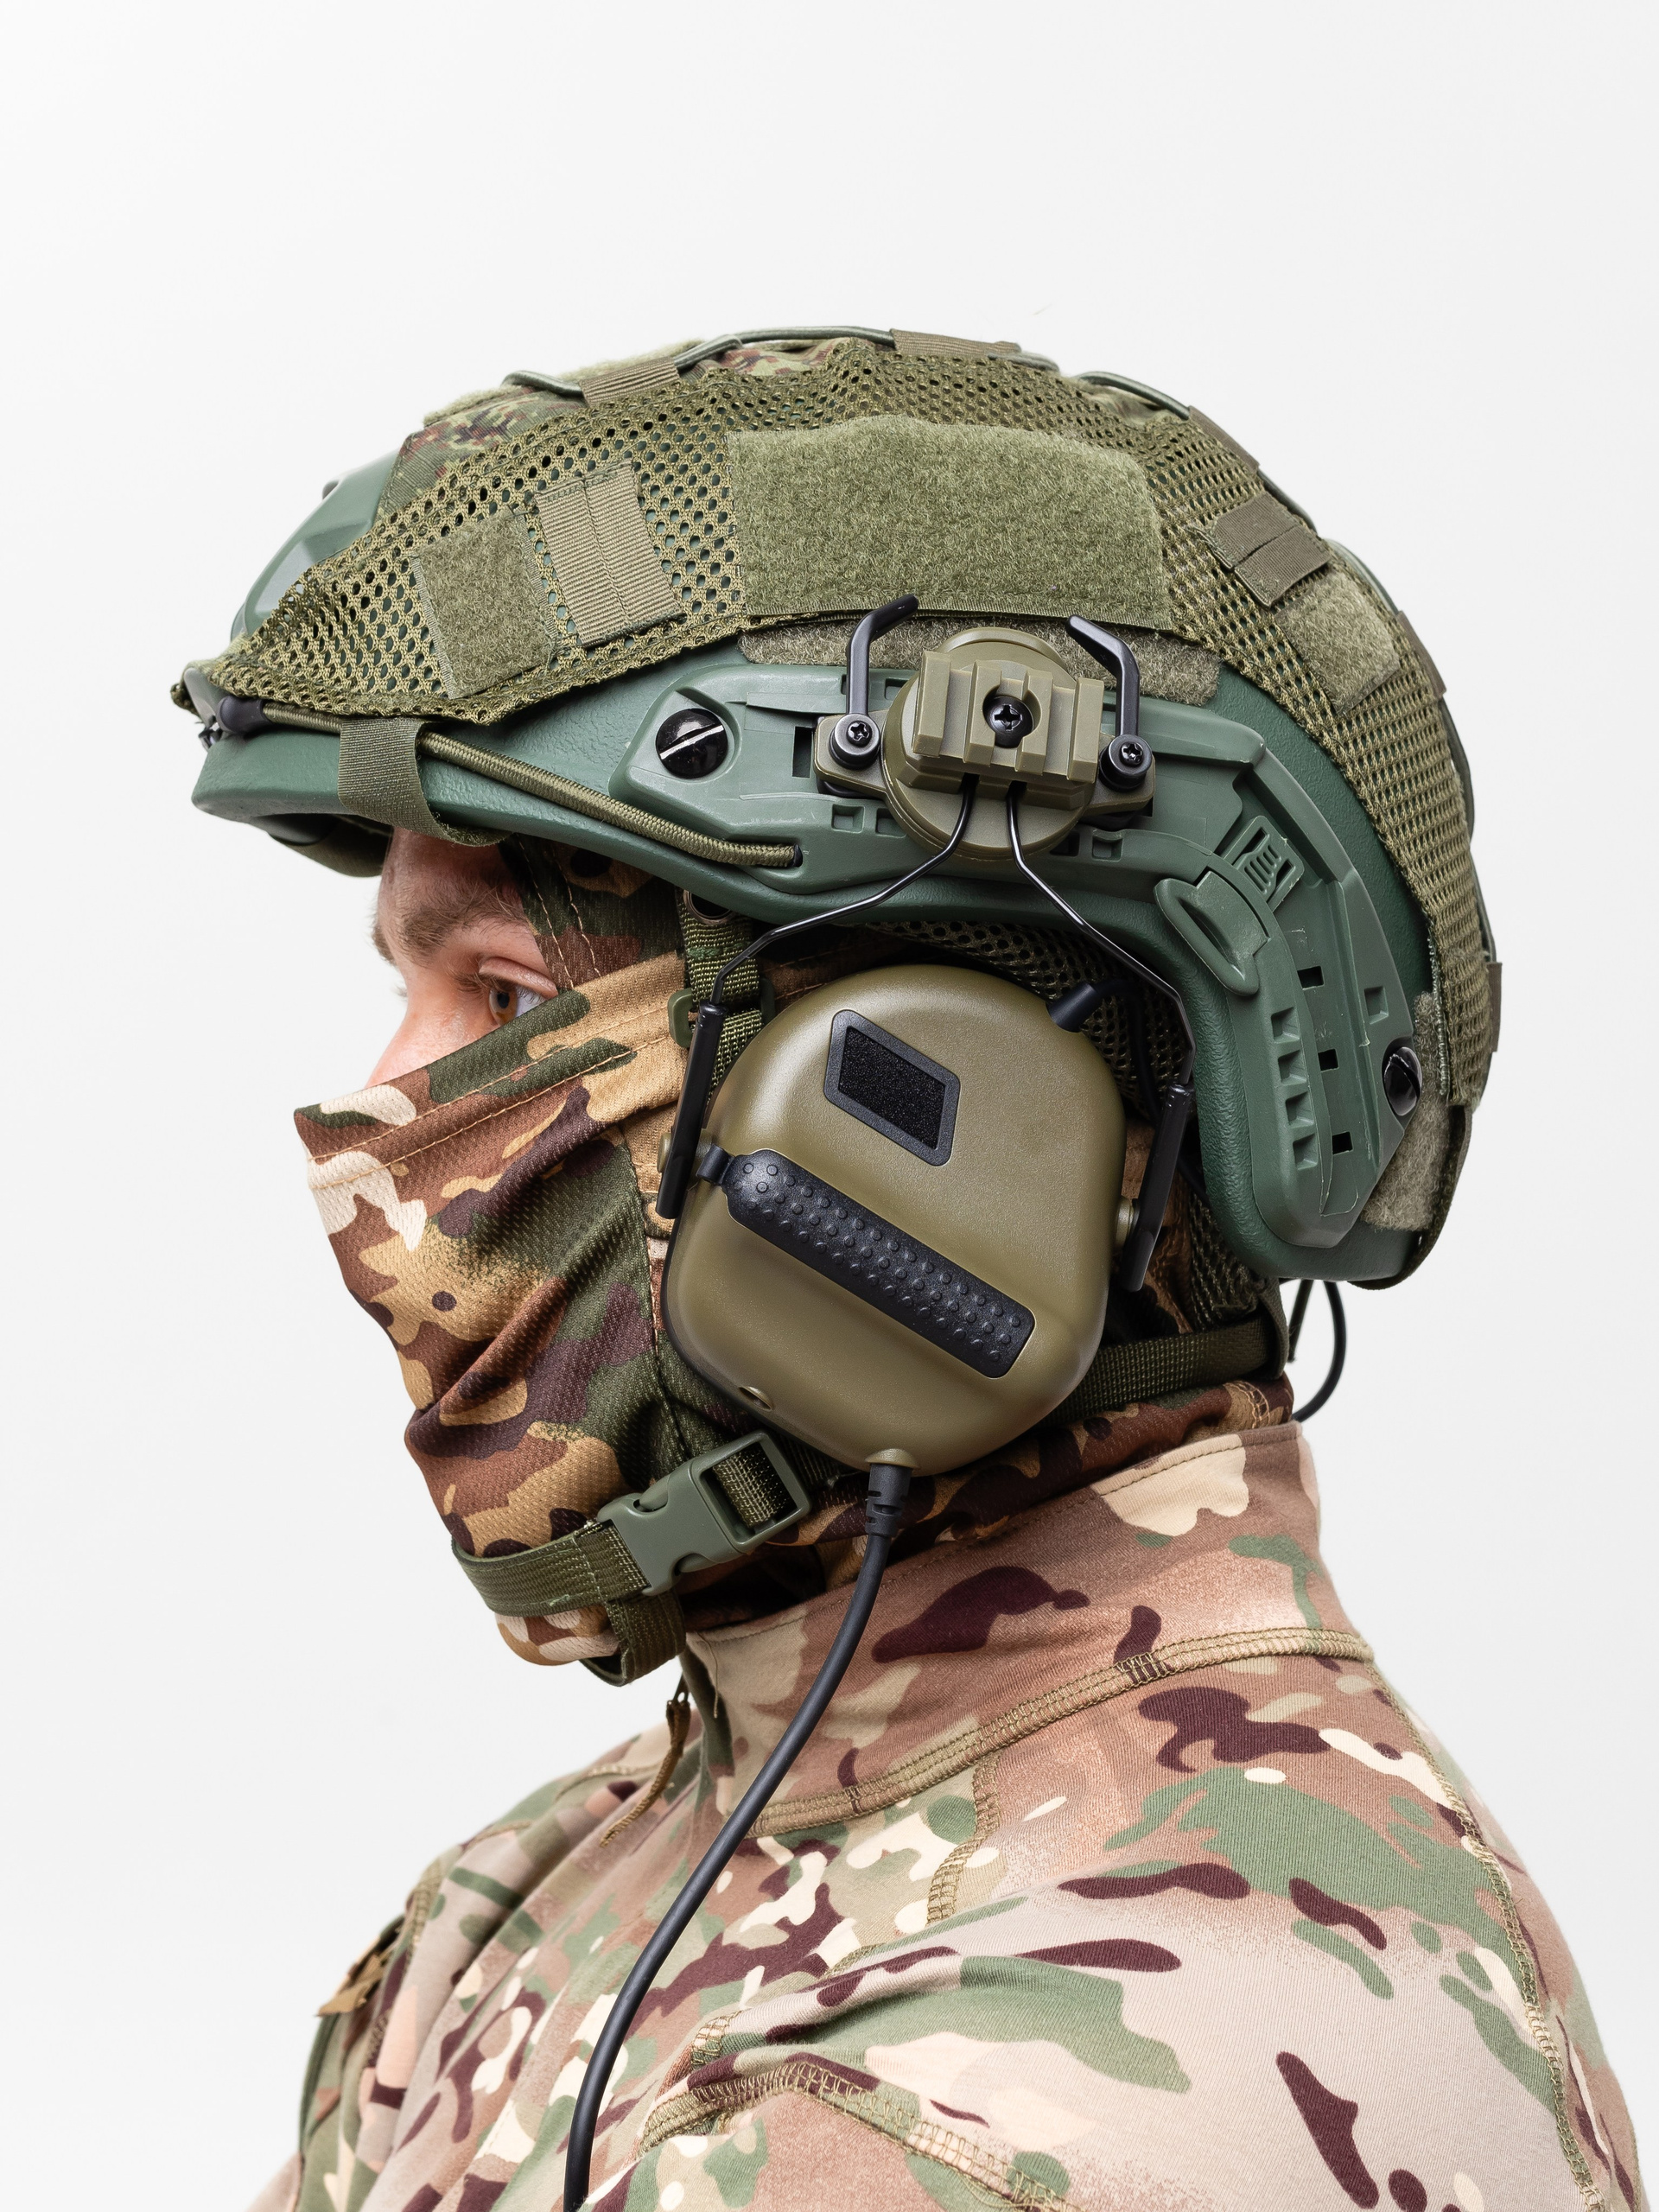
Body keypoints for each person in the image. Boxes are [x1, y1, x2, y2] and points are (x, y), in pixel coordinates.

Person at [181, 329, 1643, 2211]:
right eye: (406, 987)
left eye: (509, 995)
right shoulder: (535, 1907)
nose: (386, 1113)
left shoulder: (1005, 2121)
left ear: (954, 1131)